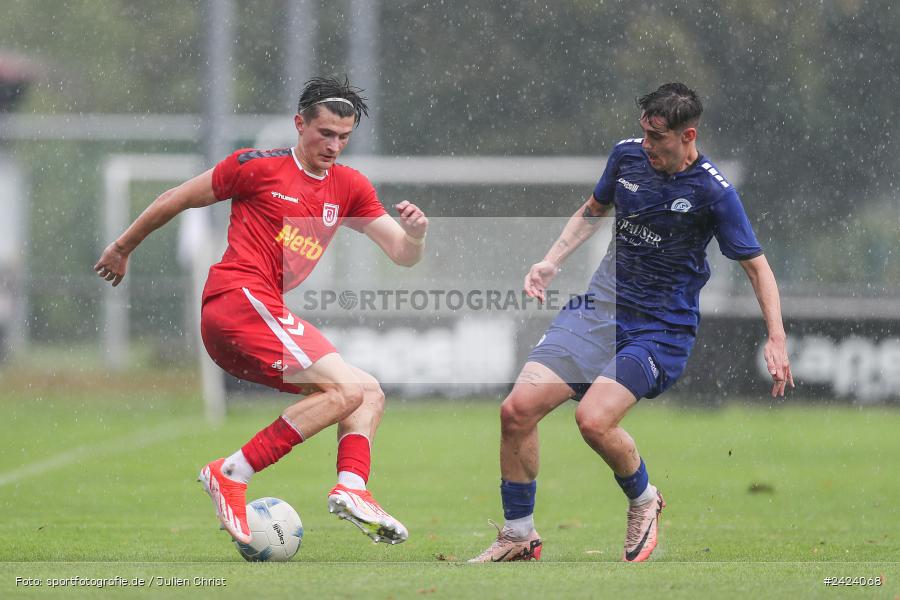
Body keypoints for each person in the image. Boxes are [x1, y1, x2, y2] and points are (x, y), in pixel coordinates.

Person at [94, 76, 428, 546]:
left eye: (343, 137)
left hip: (254, 318)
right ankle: (232, 471)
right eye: (325, 133)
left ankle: (352, 488)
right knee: (346, 388)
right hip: (237, 300)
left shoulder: (349, 186)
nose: (334, 146)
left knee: (367, 392)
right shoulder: (256, 167)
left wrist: (415, 235)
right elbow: (176, 198)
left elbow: (401, 253)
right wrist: (122, 247)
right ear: (299, 124)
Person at [469, 83, 793, 563]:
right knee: (516, 411)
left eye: (657, 138)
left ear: (687, 136)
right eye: (643, 133)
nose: (646, 145)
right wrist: (551, 260)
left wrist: (776, 338)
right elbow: (593, 210)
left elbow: (757, 267)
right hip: (598, 312)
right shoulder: (626, 156)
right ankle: (519, 535)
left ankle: (644, 500)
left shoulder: (713, 192)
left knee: (593, 420)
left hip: (659, 330)